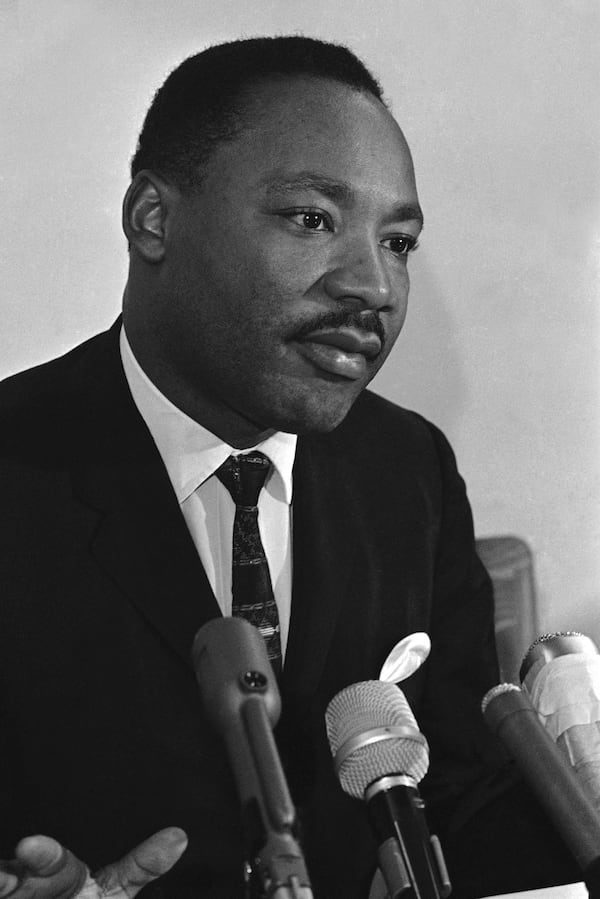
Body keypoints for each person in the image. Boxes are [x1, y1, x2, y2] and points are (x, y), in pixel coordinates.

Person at [0, 36, 579, 899]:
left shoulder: (406, 469)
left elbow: (462, 793)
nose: (374, 286)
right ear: (154, 220)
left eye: (399, 242)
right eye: (312, 219)